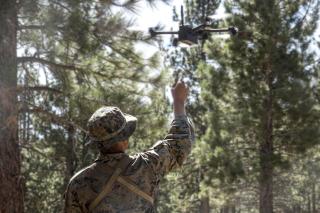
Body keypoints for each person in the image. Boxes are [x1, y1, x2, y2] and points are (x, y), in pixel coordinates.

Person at [64, 81, 195, 213]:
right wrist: (178, 101)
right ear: (124, 141)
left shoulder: (78, 184)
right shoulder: (147, 165)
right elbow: (179, 143)